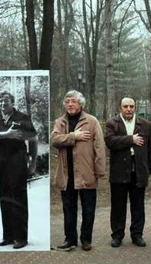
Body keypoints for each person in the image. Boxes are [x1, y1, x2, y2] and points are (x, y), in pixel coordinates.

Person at [0, 91, 38, 249]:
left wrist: (33, 162)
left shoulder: (22, 117)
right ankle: (8, 236)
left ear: (12, 102)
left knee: (18, 199)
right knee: (4, 198)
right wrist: (6, 134)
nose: (3, 104)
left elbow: (33, 139)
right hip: (1, 162)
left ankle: (21, 237)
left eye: (6, 101)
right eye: (0, 101)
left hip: (18, 161)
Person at [51, 90, 106, 251]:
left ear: (80, 104)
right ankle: (70, 239)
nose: (70, 104)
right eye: (67, 101)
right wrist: (73, 136)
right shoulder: (60, 122)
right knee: (69, 209)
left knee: (88, 209)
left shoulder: (92, 121)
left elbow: (99, 147)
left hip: (86, 173)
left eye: (73, 101)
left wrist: (100, 171)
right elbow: (54, 139)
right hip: (66, 174)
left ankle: (86, 239)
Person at [105, 96, 151, 248]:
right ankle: (117, 235)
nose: (128, 109)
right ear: (120, 107)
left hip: (138, 171)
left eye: (131, 106)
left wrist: (149, 168)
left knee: (138, 206)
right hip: (119, 172)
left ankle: (137, 235)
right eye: (125, 106)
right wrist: (130, 139)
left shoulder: (145, 124)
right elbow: (110, 141)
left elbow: (150, 148)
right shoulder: (112, 123)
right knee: (118, 206)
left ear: (135, 107)